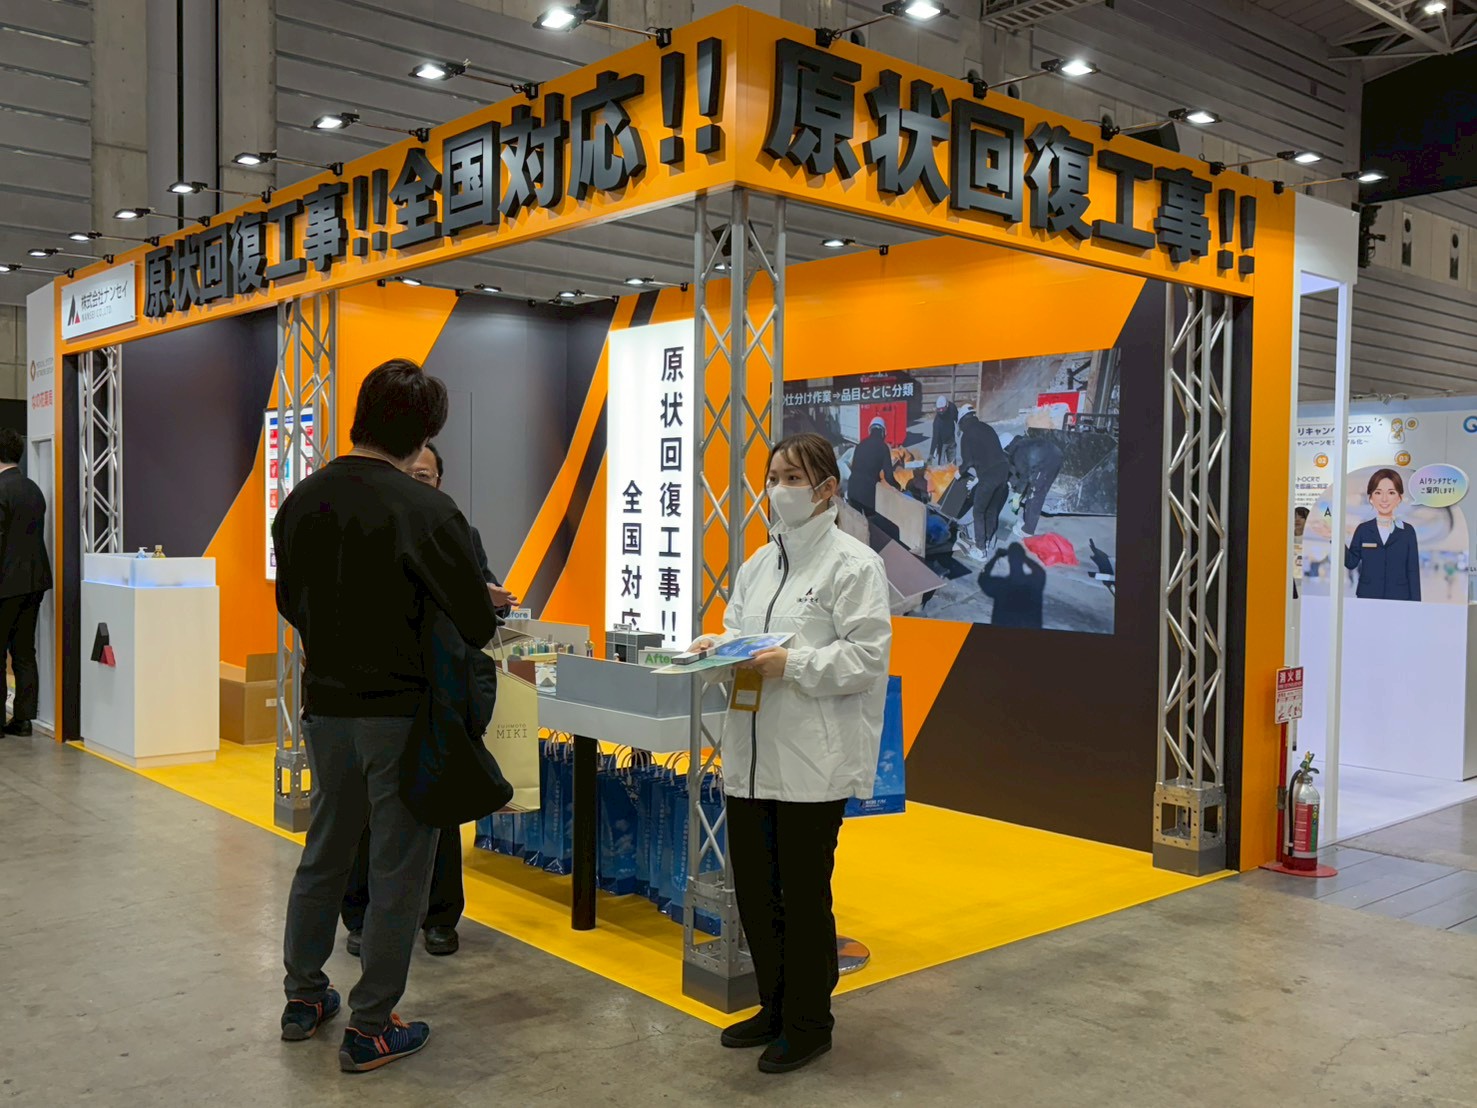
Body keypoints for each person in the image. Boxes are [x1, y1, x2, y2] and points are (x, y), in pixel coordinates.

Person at [273, 359, 500, 1073]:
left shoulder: (301, 500)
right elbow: (477, 620)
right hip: (403, 715)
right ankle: (371, 1025)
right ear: (423, 435)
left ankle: (303, 994)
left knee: (326, 851)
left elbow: (289, 603)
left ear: (360, 415)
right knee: (400, 868)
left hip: (325, 708)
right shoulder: (428, 511)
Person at [691, 432, 891, 1075]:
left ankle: (809, 1022)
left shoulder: (854, 565)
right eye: (773, 477)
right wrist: (715, 647)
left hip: (812, 761)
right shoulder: (759, 564)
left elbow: (866, 658)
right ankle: (773, 1007)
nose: (778, 489)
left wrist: (794, 664)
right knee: (756, 892)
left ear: (827, 488)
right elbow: (739, 630)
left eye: (792, 478)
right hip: (750, 757)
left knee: (802, 896)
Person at [340, 442, 519, 960]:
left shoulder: (458, 532)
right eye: (410, 472)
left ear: (440, 482)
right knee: (369, 811)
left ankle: (440, 918)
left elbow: (485, 606)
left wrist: (489, 597)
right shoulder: (367, 525)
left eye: (427, 475)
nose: (418, 481)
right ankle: (361, 914)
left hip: (441, 690)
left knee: (441, 804)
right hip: (378, 689)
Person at [0, 428, 52, 737]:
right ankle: (24, 719)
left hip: (5, 584)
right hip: (34, 582)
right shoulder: (33, 489)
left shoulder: (1, 490)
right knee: (24, 651)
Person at [1345, 468, 1421, 601]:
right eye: (1378, 492)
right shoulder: (1363, 529)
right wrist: (1333, 538)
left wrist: (1416, 604)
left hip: (1399, 597)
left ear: (1399, 498)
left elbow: (1413, 571)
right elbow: (1351, 562)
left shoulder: (1407, 531)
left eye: (1391, 493)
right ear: (1371, 498)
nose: (1384, 499)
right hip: (1368, 596)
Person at [958, 405, 1010, 557]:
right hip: (1003, 471)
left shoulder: (967, 434)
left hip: (989, 476)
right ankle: (987, 540)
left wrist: (959, 472)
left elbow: (968, 461)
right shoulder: (987, 428)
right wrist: (978, 478)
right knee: (992, 509)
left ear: (962, 421)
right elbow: (989, 454)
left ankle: (980, 549)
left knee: (979, 510)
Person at [1006, 431, 1064, 538]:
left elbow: (1024, 476)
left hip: (1046, 462)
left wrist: (1017, 495)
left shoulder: (1018, 453)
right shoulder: (1024, 444)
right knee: (1038, 490)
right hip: (1056, 456)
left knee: (1035, 494)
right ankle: (1028, 522)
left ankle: (1027, 530)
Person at [846, 417, 901, 521]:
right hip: (867, 493)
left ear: (870, 430)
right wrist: (898, 486)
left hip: (852, 489)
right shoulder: (883, 447)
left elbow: (854, 467)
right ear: (883, 432)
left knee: (856, 523)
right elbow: (888, 476)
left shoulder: (860, 445)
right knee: (871, 523)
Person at [929, 395, 958, 465]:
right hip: (942, 444)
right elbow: (935, 438)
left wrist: (961, 427)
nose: (941, 412)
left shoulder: (952, 408)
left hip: (951, 440)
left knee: (953, 465)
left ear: (947, 405)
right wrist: (931, 454)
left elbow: (957, 417)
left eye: (943, 409)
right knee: (941, 466)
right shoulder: (937, 422)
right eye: (939, 410)